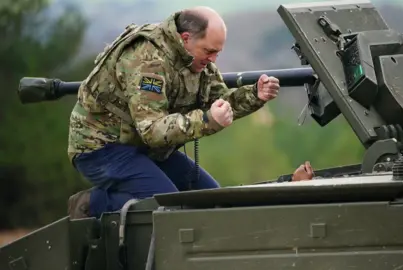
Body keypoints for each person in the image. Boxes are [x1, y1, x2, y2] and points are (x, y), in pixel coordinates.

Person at [67, 6, 282, 219]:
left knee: (213, 200)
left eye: (217, 53)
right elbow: (152, 130)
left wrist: (255, 95)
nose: (213, 59)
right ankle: (94, 204)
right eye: (209, 51)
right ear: (186, 38)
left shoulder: (195, 59)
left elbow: (219, 101)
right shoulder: (148, 61)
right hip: (102, 148)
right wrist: (207, 120)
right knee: (167, 207)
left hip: (146, 148)